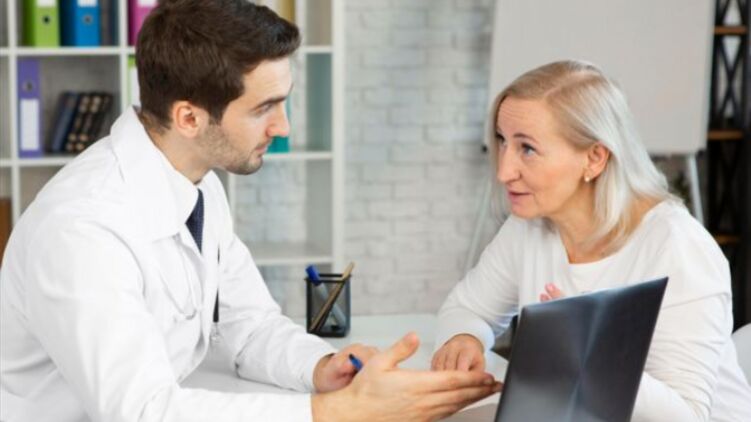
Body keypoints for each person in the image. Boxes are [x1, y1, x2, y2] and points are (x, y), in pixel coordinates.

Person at [0, 1, 500, 421]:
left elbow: (250, 327)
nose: (283, 127)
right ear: (189, 117)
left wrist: (323, 367)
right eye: (264, 108)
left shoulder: (196, 184)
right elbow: (144, 411)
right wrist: (333, 412)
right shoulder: (83, 228)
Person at [431, 60, 751, 421]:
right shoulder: (530, 227)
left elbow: (687, 416)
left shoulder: (678, 247)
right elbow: (468, 309)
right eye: (503, 141)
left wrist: (591, 349)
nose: (504, 171)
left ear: (595, 158)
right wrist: (465, 338)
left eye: (528, 149)